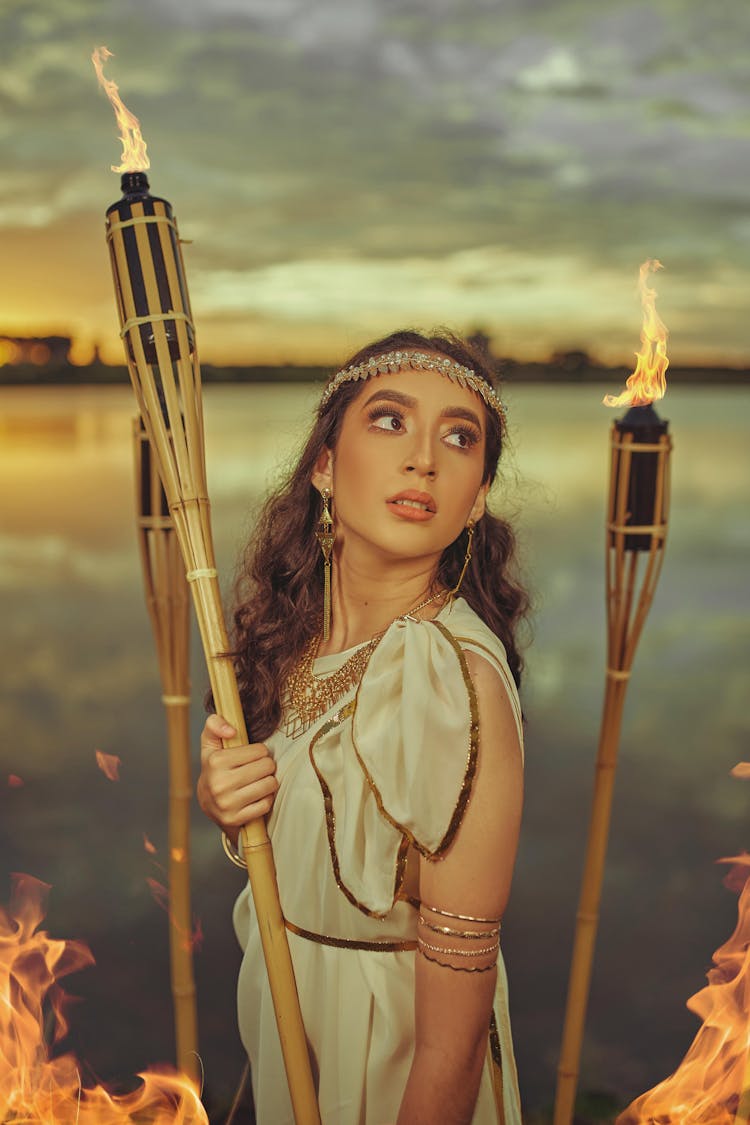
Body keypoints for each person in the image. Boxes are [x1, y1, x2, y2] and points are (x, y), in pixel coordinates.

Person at [197, 329, 529, 1124]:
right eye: (390, 421)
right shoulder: (297, 644)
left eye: (459, 437)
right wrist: (229, 807)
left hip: (392, 1073)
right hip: (294, 1042)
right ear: (322, 464)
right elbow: (302, 845)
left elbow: (452, 1041)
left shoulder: (448, 673)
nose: (425, 459)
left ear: (477, 494)